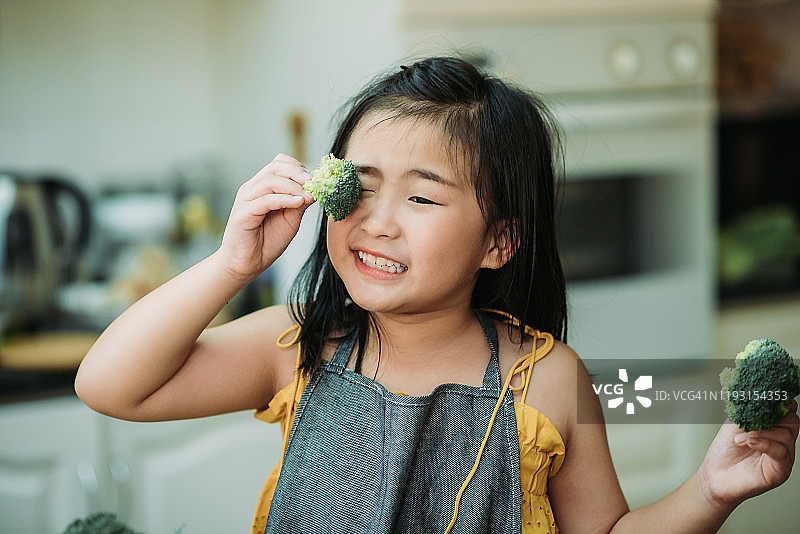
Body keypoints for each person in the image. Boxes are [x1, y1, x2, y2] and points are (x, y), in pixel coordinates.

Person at [75, 57, 798, 534]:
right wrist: (231, 265)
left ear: (499, 242)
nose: (377, 221)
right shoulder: (298, 343)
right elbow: (109, 386)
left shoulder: (547, 377)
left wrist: (712, 490)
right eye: (359, 185)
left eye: (422, 197)